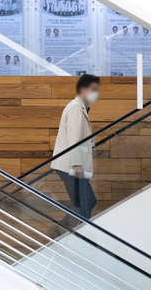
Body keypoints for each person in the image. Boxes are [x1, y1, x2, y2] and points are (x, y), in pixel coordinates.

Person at [51, 74, 99, 233]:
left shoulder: (81, 107)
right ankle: (64, 231)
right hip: (70, 166)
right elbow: (74, 138)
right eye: (93, 89)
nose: (95, 93)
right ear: (82, 89)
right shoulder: (75, 108)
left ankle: (66, 232)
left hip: (70, 165)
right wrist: (77, 164)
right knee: (87, 200)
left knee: (82, 202)